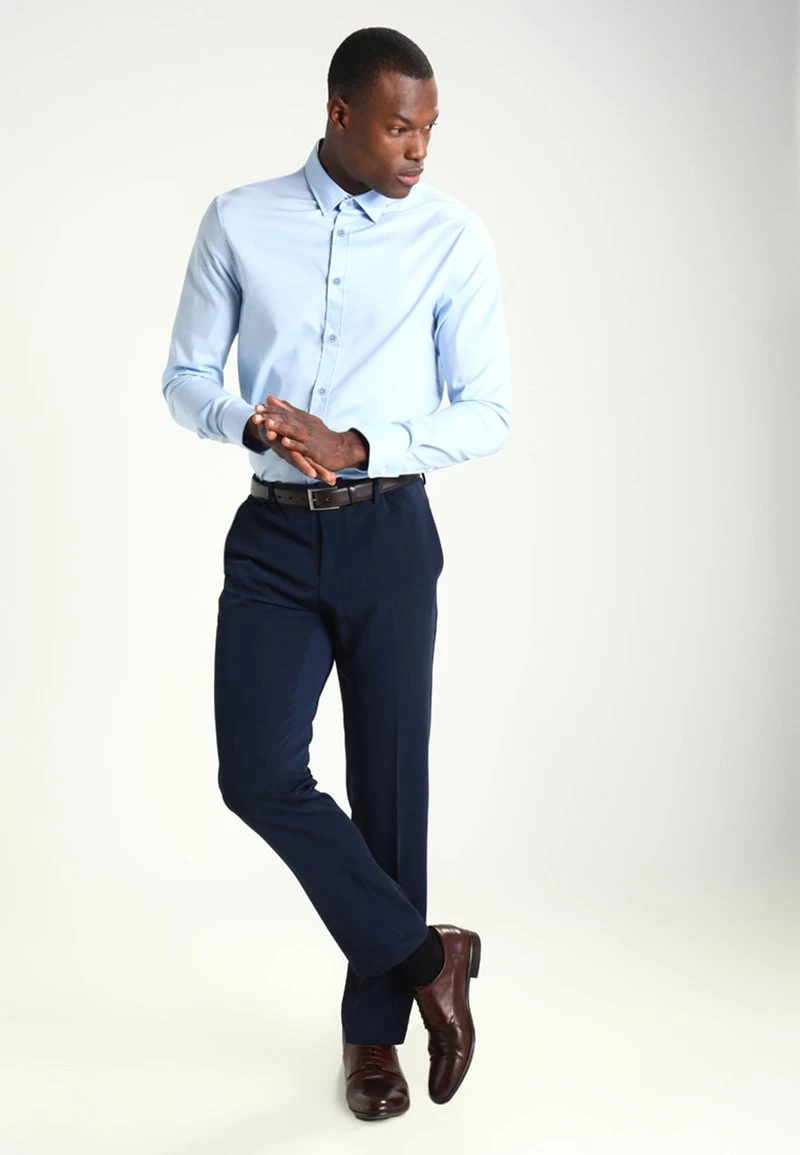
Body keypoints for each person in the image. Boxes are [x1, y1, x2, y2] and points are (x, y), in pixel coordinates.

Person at [161, 25, 511, 1122]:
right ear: (340, 113)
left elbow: (487, 411)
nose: (419, 150)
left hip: (388, 532)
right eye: (400, 127)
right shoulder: (239, 219)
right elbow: (184, 377)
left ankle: (374, 1039)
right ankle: (430, 957)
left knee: (388, 787)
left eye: (430, 129)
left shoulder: (451, 237)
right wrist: (249, 419)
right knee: (256, 773)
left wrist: (359, 443)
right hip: (272, 537)